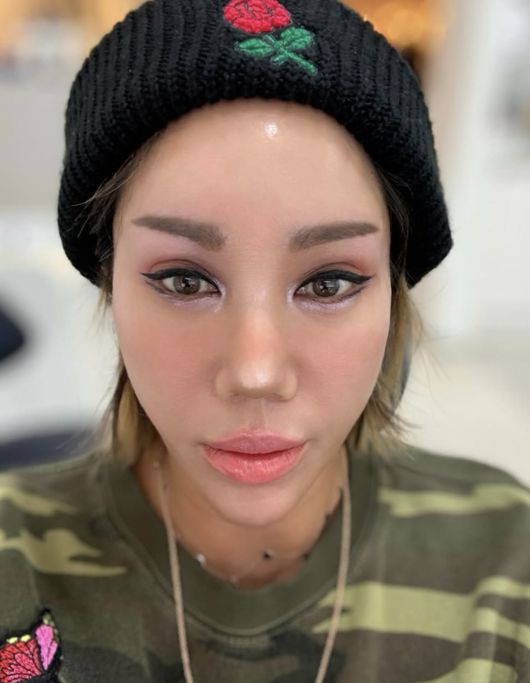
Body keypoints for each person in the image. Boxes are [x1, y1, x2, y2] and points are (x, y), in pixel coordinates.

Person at [1, 1, 529, 681]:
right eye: (185, 280)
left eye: (329, 282)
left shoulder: (506, 565)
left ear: (394, 295)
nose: (256, 370)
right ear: (110, 282)